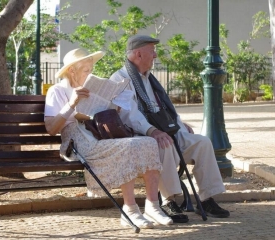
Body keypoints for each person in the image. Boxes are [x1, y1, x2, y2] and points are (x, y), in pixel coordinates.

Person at [44, 48, 174, 229]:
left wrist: (113, 106)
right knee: (127, 146)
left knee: (148, 142)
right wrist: (71, 104)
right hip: (77, 141)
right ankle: (130, 210)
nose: (90, 74)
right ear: (72, 70)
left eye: (91, 70)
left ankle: (153, 206)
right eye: (86, 70)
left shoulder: (90, 88)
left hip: (99, 134)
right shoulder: (57, 91)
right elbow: (51, 128)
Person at [110, 35, 230, 222]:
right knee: (164, 144)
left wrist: (180, 125)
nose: (156, 55)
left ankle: (206, 199)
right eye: (152, 51)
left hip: (165, 131)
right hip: (143, 136)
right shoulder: (120, 79)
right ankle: (169, 200)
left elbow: (163, 109)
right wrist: (153, 131)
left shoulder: (149, 79)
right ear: (138, 54)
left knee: (202, 142)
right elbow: (129, 115)